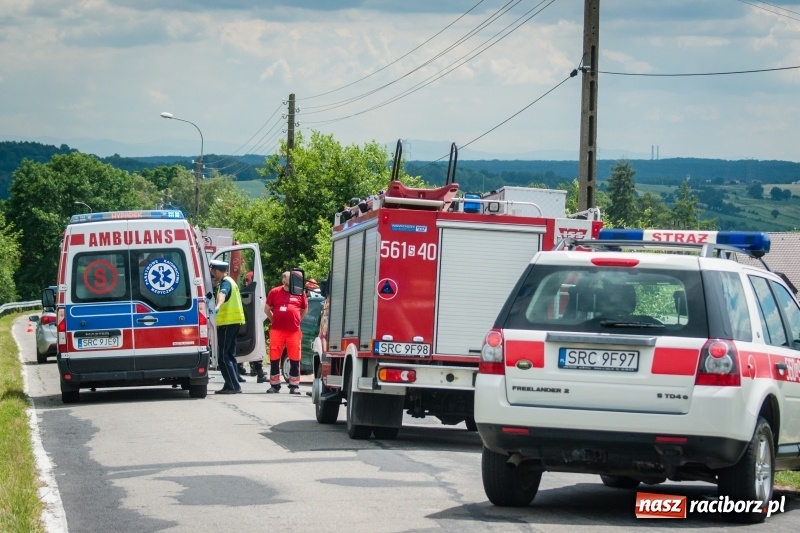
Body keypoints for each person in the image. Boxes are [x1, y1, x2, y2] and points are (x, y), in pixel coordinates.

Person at [264, 271, 308, 394]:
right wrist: (274, 321)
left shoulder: (300, 292)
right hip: (277, 331)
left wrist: (297, 320)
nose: (295, 280)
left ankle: (294, 386)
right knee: (274, 357)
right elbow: (267, 309)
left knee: (295, 358)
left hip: (294, 331)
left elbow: (304, 309)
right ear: (284, 281)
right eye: (291, 278)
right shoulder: (275, 292)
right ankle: (274, 385)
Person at [210, 259, 245, 394]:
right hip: (235, 322)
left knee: (223, 356)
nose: (213, 274)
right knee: (230, 355)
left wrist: (217, 306)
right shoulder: (231, 281)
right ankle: (231, 383)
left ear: (218, 271)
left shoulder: (225, 283)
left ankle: (233, 386)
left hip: (227, 324)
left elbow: (222, 294)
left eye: (213, 271)